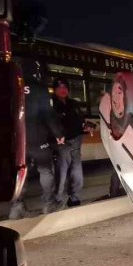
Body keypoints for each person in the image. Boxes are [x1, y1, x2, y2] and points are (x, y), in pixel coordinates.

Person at [9, 60, 63, 219]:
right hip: (38, 138)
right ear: (36, 72)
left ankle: (16, 207)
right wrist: (58, 134)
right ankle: (49, 204)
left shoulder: (12, 87)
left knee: (20, 172)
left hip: (17, 140)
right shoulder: (40, 88)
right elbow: (48, 114)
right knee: (45, 170)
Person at [51, 78, 93, 208]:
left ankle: (74, 197)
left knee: (77, 171)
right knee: (61, 172)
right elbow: (48, 124)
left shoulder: (74, 103)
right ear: (55, 90)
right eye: (59, 87)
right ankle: (57, 199)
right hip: (61, 143)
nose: (62, 90)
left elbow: (81, 121)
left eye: (65, 87)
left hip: (76, 141)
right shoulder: (51, 104)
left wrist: (86, 127)